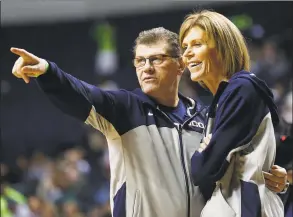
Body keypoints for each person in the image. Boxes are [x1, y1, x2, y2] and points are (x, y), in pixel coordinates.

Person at [11, 27, 287, 217]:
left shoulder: (206, 116)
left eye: (156, 59)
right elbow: (80, 94)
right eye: (139, 61)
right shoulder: (124, 109)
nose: (146, 67)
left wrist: (279, 178)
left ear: (181, 66)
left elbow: (238, 172)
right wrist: (47, 72)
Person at [179, 10, 286, 216]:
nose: (187, 54)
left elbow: (203, 171)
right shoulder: (224, 99)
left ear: (222, 47)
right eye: (185, 47)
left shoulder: (242, 89)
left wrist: (202, 154)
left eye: (197, 44)